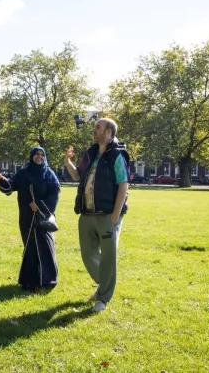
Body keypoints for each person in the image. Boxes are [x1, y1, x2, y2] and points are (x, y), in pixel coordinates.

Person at [64, 118, 130, 312]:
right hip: (86, 214)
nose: (94, 130)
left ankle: (103, 298)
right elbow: (78, 176)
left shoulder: (117, 155)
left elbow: (123, 184)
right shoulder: (90, 153)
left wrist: (115, 216)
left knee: (109, 257)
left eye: (98, 127)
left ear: (109, 132)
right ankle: (105, 283)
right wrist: (68, 162)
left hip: (108, 214)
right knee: (87, 254)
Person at [0, 147, 60, 292]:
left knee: (46, 246)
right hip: (27, 218)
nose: (39, 157)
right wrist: (1, 179)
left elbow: (55, 192)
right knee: (30, 247)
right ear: (31, 156)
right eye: (36, 154)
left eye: (42, 155)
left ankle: (47, 280)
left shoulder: (49, 174)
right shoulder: (24, 173)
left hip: (43, 217)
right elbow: (10, 187)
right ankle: (30, 281)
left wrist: (40, 206)